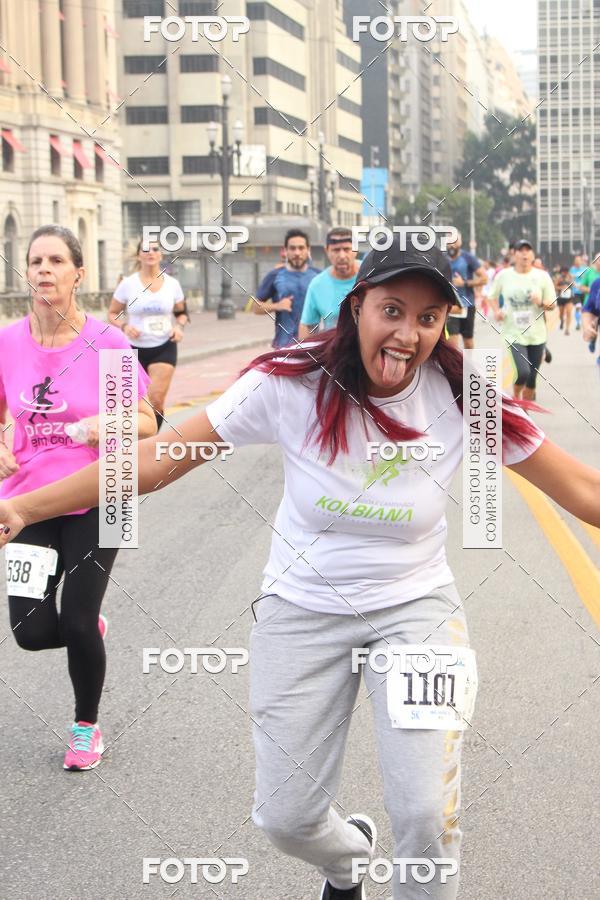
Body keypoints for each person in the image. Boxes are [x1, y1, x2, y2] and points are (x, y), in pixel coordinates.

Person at [2, 238, 599, 898]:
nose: (408, 335)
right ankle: (348, 863)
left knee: (427, 815)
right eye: (393, 310)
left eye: (429, 318)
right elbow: (157, 457)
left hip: (416, 609)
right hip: (301, 608)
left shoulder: (464, 396)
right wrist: (25, 508)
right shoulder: (290, 382)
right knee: (286, 818)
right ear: (357, 307)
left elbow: (583, 491)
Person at [0, 225, 156, 771]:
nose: (43, 270)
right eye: (35, 260)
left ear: (78, 274)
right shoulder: (6, 342)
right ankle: (83, 630)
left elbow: (145, 421)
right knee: (30, 632)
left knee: (77, 617)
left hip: (101, 493)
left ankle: (85, 728)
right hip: (27, 501)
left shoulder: (106, 343)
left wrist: (99, 425)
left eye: (55, 261)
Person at [108, 239, 188, 432]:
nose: (150, 252)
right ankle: (133, 445)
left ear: (160, 255)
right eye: (145, 250)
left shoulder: (172, 284)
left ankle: (150, 444)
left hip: (164, 345)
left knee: (156, 400)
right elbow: (112, 314)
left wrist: (179, 327)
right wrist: (124, 326)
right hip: (132, 348)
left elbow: (182, 313)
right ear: (139, 256)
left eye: (155, 249)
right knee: (129, 404)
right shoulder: (128, 284)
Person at [488, 239, 556, 401]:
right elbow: (491, 296)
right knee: (523, 372)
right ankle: (517, 397)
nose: (524, 253)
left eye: (528, 250)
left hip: (537, 335)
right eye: (521, 250)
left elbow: (552, 305)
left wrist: (539, 302)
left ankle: (525, 409)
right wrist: (497, 311)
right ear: (514, 254)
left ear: (532, 255)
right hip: (513, 333)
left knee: (532, 377)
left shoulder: (542, 277)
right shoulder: (504, 276)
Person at [253, 229, 320, 348]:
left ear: (308, 250)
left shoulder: (319, 277)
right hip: (283, 347)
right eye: (292, 248)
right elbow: (256, 307)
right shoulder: (275, 275)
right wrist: (277, 306)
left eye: (301, 248)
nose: (297, 253)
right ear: (285, 251)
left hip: (313, 348)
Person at [298, 227, 360, 340]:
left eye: (346, 249)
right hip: (336, 353)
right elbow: (307, 326)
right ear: (327, 251)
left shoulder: (371, 274)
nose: (341, 256)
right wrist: (306, 354)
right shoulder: (317, 285)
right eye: (336, 250)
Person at [445, 232, 487, 350]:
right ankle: (455, 368)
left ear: (460, 242)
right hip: (451, 305)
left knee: (468, 342)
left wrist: (464, 283)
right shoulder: (442, 259)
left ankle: (469, 367)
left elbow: (484, 278)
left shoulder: (468, 258)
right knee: (452, 344)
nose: (451, 245)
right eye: (449, 242)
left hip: (467, 304)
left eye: (454, 241)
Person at [568, 254, 587, 331]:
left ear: (581, 261)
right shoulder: (572, 269)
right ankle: (578, 323)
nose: (578, 262)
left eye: (579, 260)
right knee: (578, 307)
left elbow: (587, 279)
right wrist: (574, 284)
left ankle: (585, 323)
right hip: (576, 292)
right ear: (574, 262)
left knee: (585, 309)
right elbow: (570, 279)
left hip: (584, 292)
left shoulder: (585, 269)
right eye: (576, 261)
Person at [553, 266, 574, 334]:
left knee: (569, 312)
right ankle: (562, 320)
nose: (565, 273)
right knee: (561, 313)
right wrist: (562, 287)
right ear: (561, 272)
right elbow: (555, 287)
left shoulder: (570, 277)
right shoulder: (558, 278)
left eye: (566, 272)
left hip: (569, 297)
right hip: (561, 298)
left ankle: (567, 329)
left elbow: (573, 284)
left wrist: (571, 282)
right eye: (563, 272)